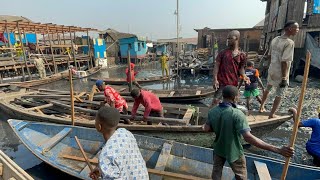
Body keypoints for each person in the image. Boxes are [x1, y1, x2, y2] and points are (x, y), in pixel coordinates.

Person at [203, 85, 294, 179]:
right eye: (238, 96)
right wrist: (277, 149)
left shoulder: (212, 111)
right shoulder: (237, 114)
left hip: (218, 148)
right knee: (241, 176)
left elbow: (206, 129)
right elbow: (248, 137)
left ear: (223, 96)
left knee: (216, 172)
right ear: (235, 97)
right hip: (234, 151)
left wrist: (218, 125)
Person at [89, 106, 149, 180]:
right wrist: (101, 170)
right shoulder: (126, 133)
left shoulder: (105, 156)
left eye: (95, 121)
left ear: (99, 126)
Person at [259, 20, 300, 119]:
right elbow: (284, 61)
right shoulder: (289, 43)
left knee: (268, 88)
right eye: (296, 28)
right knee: (279, 93)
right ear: (290, 29)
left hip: (272, 69)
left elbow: (269, 55)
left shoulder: (275, 39)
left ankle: (261, 107)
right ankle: (271, 114)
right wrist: (284, 77)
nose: (298, 30)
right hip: (280, 72)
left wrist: (269, 66)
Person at [212, 30, 250, 107]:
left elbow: (241, 69)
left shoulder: (242, 55)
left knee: (232, 104)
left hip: (233, 85)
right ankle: (212, 118)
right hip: (221, 83)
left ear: (236, 38)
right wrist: (215, 79)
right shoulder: (223, 53)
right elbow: (216, 66)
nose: (228, 40)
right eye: (227, 39)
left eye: (230, 38)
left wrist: (244, 76)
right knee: (215, 102)